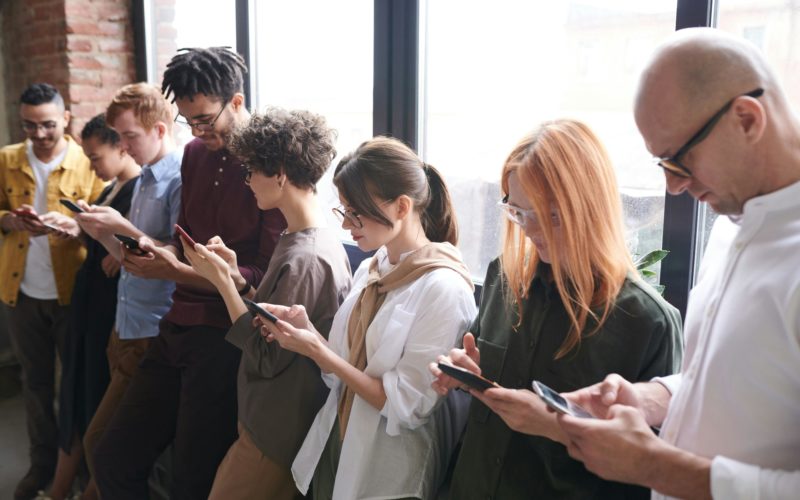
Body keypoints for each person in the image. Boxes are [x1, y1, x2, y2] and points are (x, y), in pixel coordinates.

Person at [555, 28, 800, 500]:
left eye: (679, 161)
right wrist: (652, 398)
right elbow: (746, 373)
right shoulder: (732, 220)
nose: (673, 187)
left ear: (747, 119)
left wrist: (654, 466)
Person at [428, 119, 683, 499]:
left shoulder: (647, 322)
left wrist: (552, 423)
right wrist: (466, 376)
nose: (531, 230)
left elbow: (647, 472)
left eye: (551, 216)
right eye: (518, 212)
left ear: (589, 208)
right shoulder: (504, 279)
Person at [92, 48, 286, 500]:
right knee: (111, 457)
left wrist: (177, 267)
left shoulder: (271, 163)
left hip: (226, 335)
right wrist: (155, 252)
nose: (197, 132)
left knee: (191, 479)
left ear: (236, 102)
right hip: (176, 320)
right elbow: (186, 241)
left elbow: (263, 278)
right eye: (189, 121)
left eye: (204, 119)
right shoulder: (195, 154)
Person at [260, 136, 477, 500]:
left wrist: (318, 351)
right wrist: (306, 330)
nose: (347, 225)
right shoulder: (374, 268)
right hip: (339, 443)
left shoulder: (444, 288)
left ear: (401, 206)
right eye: (343, 210)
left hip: (389, 471)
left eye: (356, 212)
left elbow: (407, 407)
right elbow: (341, 369)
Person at [181, 107, 352, 499]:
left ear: (280, 174)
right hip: (269, 420)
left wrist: (221, 283)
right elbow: (275, 316)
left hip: (276, 428)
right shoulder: (300, 239)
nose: (247, 182)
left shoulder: (306, 257)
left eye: (251, 171)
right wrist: (239, 281)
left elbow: (269, 353)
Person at [69, 82, 183, 498]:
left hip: (153, 332)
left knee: (103, 446)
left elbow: (176, 260)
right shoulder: (149, 177)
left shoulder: (177, 179)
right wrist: (102, 233)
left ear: (160, 129)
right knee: (108, 448)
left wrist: (120, 228)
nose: (125, 146)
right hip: (127, 326)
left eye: (130, 136)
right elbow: (131, 257)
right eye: (119, 137)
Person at [0, 83, 105, 499]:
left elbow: (103, 223)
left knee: (78, 385)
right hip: (22, 292)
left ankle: (77, 468)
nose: (39, 134)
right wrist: (11, 220)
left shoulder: (89, 161)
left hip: (72, 293)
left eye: (46, 125)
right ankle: (41, 464)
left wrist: (76, 227)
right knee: (36, 384)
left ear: (65, 119)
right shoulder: (6, 159)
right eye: (29, 126)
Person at [41, 114, 141, 500]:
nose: (92, 166)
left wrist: (119, 248)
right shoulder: (112, 187)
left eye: (96, 157)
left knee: (97, 397)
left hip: (110, 309)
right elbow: (99, 250)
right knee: (77, 391)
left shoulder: (138, 191)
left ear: (121, 147)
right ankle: (62, 488)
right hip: (90, 301)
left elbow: (135, 252)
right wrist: (76, 228)